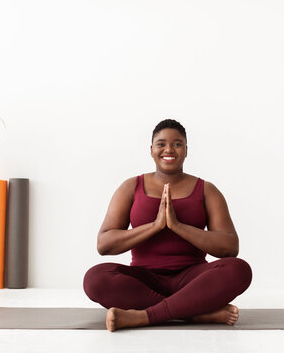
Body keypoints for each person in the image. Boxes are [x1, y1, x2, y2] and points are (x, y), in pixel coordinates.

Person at [83, 119, 252, 332]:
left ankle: (145, 316)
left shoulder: (207, 190)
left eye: (178, 144)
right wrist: (155, 226)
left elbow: (229, 247)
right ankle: (194, 313)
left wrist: (177, 226)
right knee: (95, 279)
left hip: (193, 279)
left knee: (239, 270)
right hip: (145, 280)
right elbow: (104, 244)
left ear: (186, 150)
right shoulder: (130, 187)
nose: (169, 149)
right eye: (161, 144)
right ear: (151, 150)